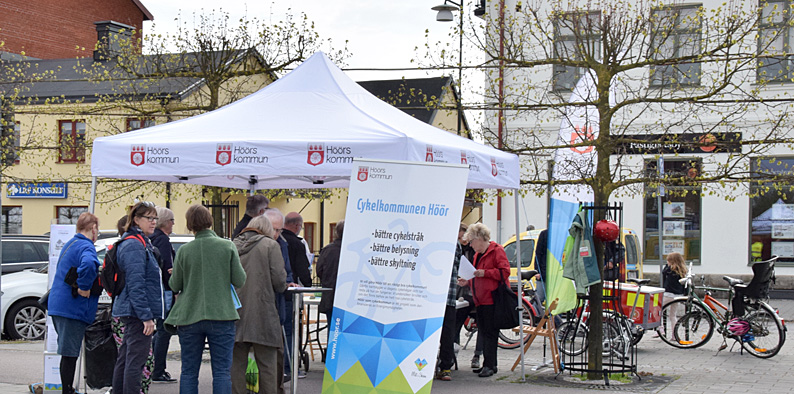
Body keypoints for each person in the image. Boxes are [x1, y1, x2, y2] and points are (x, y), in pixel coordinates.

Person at [165, 204, 247, 394]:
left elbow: (174, 285)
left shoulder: (185, 251)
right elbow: (240, 279)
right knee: (221, 372)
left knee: (188, 372)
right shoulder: (227, 246)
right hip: (221, 314)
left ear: (190, 225)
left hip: (190, 315)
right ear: (209, 220)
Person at [112, 202, 165, 394]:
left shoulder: (139, 242)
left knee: (126, 359)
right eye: (149, 218)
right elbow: (136, 284)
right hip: (136, 313)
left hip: (132, 310)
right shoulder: (134, 244)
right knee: (135, 361)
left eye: (155, 218)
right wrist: (145, 316)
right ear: (136, 220)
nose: (153, 222)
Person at [231, 215, 288, 394]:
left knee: (236, 365)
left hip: (235, 312)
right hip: (263, 314)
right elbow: (279, 282)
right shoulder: (270, 246)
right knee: (267, 366)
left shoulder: (232, 245)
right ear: (268, 230)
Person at [48, 212, 100, 394]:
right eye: (97, 229)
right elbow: (88, 265)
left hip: (58, 305)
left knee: (67, 353)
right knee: (70, 355)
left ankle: (67, 389)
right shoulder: (86, 246)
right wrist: (84, 287)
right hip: (71, 309)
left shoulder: (70, 243)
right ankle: (67, 391)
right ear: (93, 228)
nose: (97, 233)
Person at [456, 223, 510, 378]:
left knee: (490, 332)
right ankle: (490, 364)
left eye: (472, 241)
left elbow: (504, 272)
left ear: (480, 238)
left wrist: (484, 273)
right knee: (485, 332)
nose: (471, 245)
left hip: (492, 299)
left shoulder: (496, 250)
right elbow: (475, 275)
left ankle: (490, 365)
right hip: (480, 299)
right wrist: (467, 281)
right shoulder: (477, 254)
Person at [264, 208, 299, 383]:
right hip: (265, 303)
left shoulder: (282, 243)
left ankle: (284, 369)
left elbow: (286, 270)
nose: (277, 234)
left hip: (280, 300)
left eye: (279, 230)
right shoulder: (262, 244)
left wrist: (289, 282)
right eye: (274, 229)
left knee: (283, 335)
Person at [436, 223, 468, 381]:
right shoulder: (453, 244)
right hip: (445, 295)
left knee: (446, 333)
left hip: (444, 295)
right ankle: (444, 367)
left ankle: (444, 366)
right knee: (446, 332)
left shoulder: (452, 244)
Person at [150, 206, 177, 383]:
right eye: (172, 220)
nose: (174, 224)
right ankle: (158, 370)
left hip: (156, 291)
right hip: (165, 291)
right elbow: (167, 268)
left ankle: (153, 368)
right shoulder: (163, 241)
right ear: (166, 222)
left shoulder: (151, 238)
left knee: (158, 331)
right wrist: (175, 288)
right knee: (164, 331)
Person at [317, 220, 344, 327]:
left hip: (330, 295)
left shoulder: (328, 250)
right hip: (348, 297)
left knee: (332, 329)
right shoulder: (352, 250)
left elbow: (319, 270)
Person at [282, 212, 312, 287]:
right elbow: (302, 268)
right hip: (291, 284)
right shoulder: (297, 244)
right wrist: (308, 284)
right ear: (297, 226)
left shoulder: (278, 239)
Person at [661, 252, 687, 336]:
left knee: (657, 311)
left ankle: (660, 330)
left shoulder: (669, 270)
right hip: (678, 296)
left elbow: (663, 273)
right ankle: (674, 335)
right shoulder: (682, 271)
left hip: (668, 294)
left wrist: (666, 266)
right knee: (673, 315)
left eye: (668, 261)